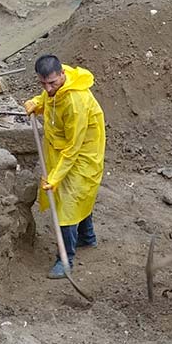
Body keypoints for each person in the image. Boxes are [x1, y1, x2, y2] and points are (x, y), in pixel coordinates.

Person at [24, 55, 106, 279]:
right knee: (78, 197)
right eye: (43, 84)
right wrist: (38, 103)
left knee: (68, 205)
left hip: (82, 154)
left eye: (52, 83)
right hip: (62, 149)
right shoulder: (56, 87)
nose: (48, 88)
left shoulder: (75, 102)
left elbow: (73, 147)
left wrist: (55, 177)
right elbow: (48, 99)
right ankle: (86, 238)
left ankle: (65, 258)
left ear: (62, 75)